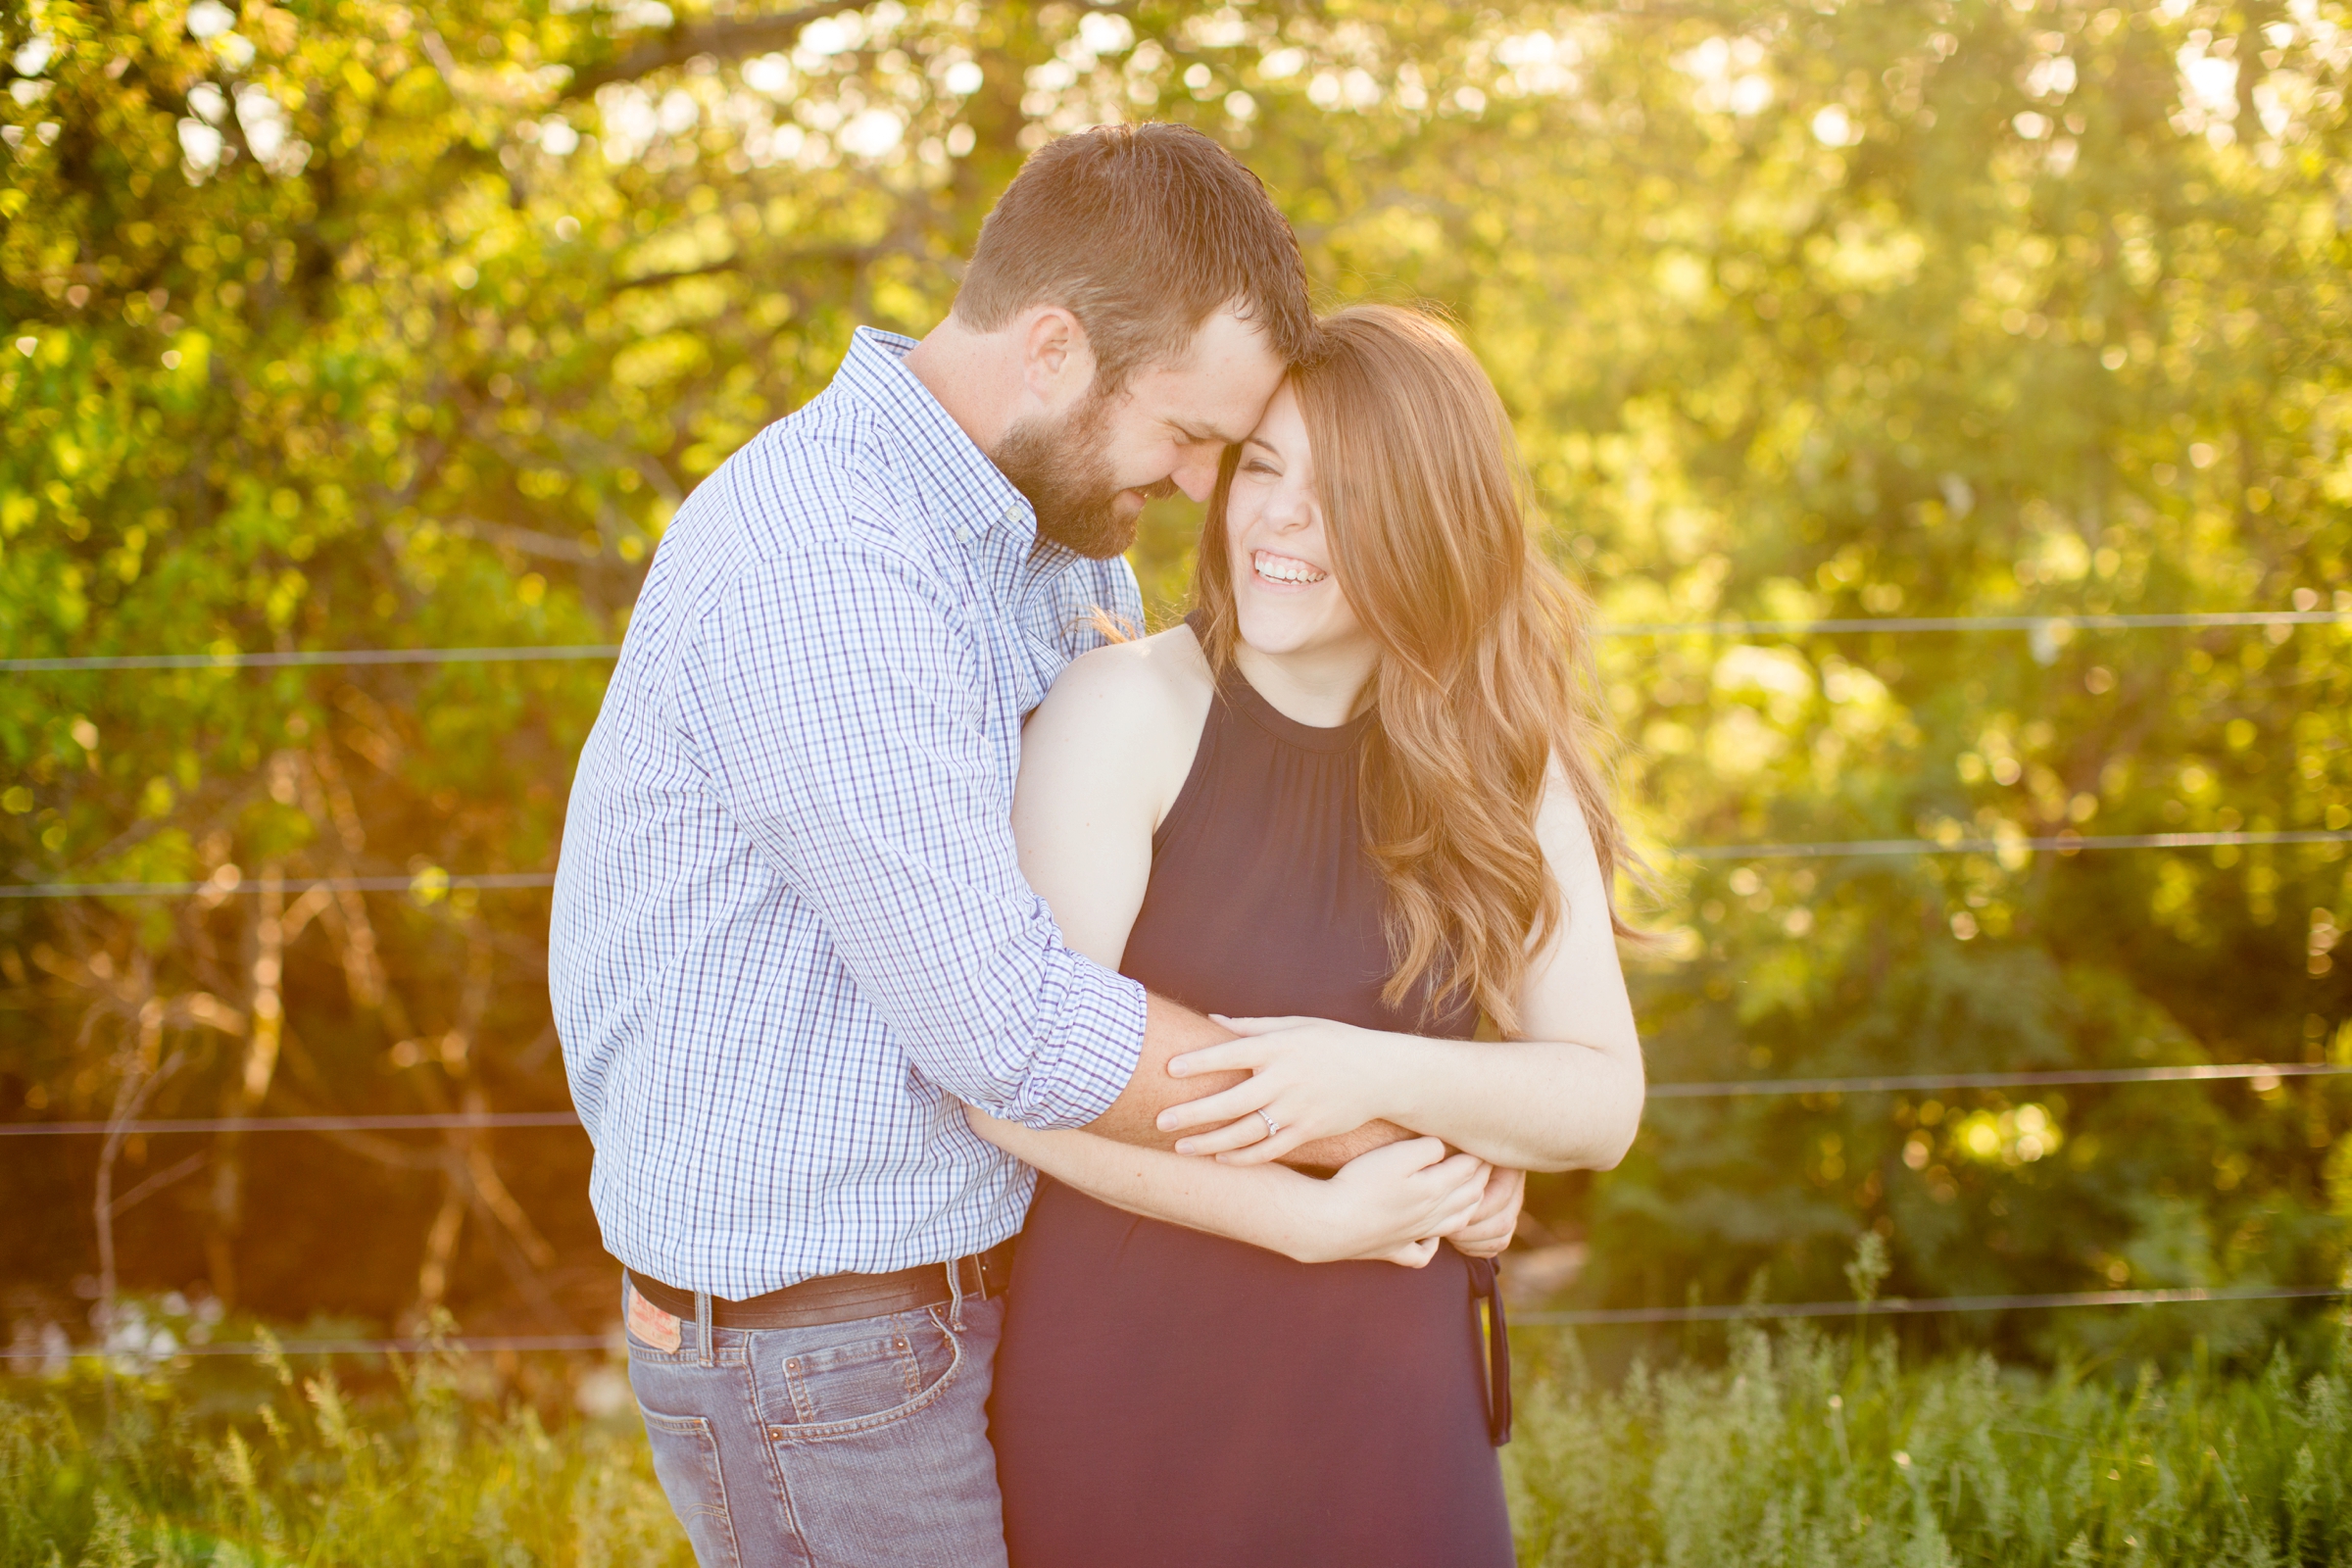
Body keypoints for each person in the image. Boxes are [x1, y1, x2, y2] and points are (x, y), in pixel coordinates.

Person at [549, 125, 1503, 1568]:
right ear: (1055, 350)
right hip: (827, 1350)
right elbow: (1007, 1023)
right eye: (1189, 434)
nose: (1200, 488)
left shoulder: (1050, 549)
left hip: (974, 1298)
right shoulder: (829, 566)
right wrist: (1391, 1141)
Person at [975, 304, 1647, 1568]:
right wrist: (1303, 1218)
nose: (1279, 517)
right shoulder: (1129, 709)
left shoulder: (1504, 761)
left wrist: (1372, 1074)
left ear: (1431, 523)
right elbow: (1008, 1096)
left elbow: (1601, 1103)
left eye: (1338, 492)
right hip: (1133, 1394)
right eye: (1263, 468)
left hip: (1397, 1403)